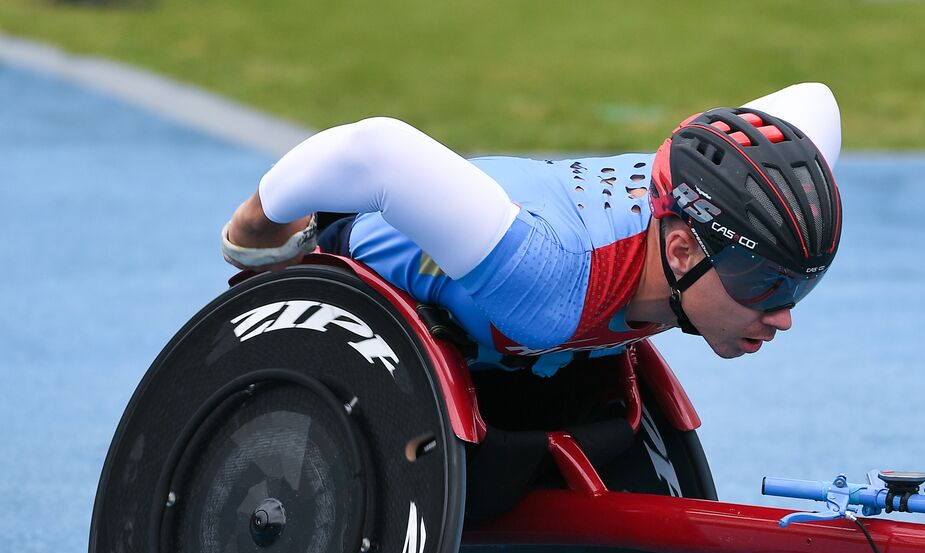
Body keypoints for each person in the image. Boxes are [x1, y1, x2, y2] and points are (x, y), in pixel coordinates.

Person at [221, 83, 843, 377]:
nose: (783, 316)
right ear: (679, 249)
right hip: (353, 278)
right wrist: (258, 233)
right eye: (766, 284)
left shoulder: (687, 224)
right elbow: (376, 152)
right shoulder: (551, 283)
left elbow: (817, 101)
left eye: (797, 289)